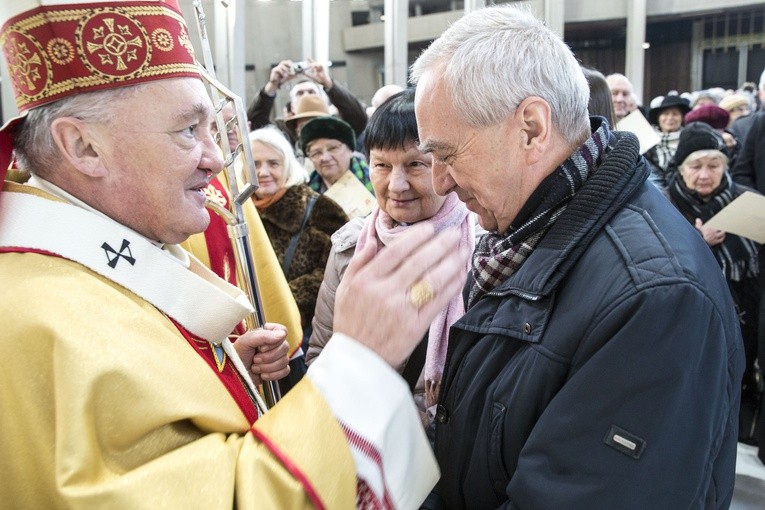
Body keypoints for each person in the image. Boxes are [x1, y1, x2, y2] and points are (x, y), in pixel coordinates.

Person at [0, 1, 471, 507]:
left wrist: (216, 375)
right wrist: (358, 364)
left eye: (212, 131)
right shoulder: (37, 320)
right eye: (188, 130)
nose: (216, 158)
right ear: (83, 147)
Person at [410, 4, 744, 508]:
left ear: (531, 128)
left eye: (447, 154)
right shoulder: (526, 237)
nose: (438, 182)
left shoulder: (654, 299)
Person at [306, 89, 476, 437]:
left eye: (415, 164)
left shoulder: (481, 246)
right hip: (374, 437)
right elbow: (321, 354)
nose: (396, 185)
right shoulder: (350, 248)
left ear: (445, 165)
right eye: (382, 165)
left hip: (456, 443)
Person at [665, 122, 761, 448]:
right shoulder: (662, 205)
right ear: (680, 168)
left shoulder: (747, 205)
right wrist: (697, 240)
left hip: (741, 320)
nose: (705, 175)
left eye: (714, 165)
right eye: (696, 166)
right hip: (683, 323)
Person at [181, 101, 304, 355]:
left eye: (232, 124)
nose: (224, 136)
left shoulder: (230, 182)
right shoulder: (220, 175)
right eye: (216, 126)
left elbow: (261, 264)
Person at [247, 126, 348, 359]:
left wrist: (284, 299)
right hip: (249, 337)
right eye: (256, 163)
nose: (263, 172)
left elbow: (338, 269)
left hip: (302, 339)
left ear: (288, 166)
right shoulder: (236, 213)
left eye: (273, 163)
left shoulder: (320, 209)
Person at [247, 59, 367, 147]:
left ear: (324, 101)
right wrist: (272, 85)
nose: (306, 96)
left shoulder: (336, 126)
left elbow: (358, 118)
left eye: (311, 92)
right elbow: (256, 125)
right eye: (300, 93)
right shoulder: (284, 131)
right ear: (291, 106)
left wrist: (327, 83)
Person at [300, 115, 374, 194]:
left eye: (333, 148)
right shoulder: (305, 195)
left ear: (350, 150)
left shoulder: (374, 182)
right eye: (316, 153)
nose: (325, 158)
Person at [645, 93, 692, 187]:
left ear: (682, 118)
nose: (670, 118)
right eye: (665, 114)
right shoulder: (646, 139)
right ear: (658, 118)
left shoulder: (690, 139)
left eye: (675, 114)